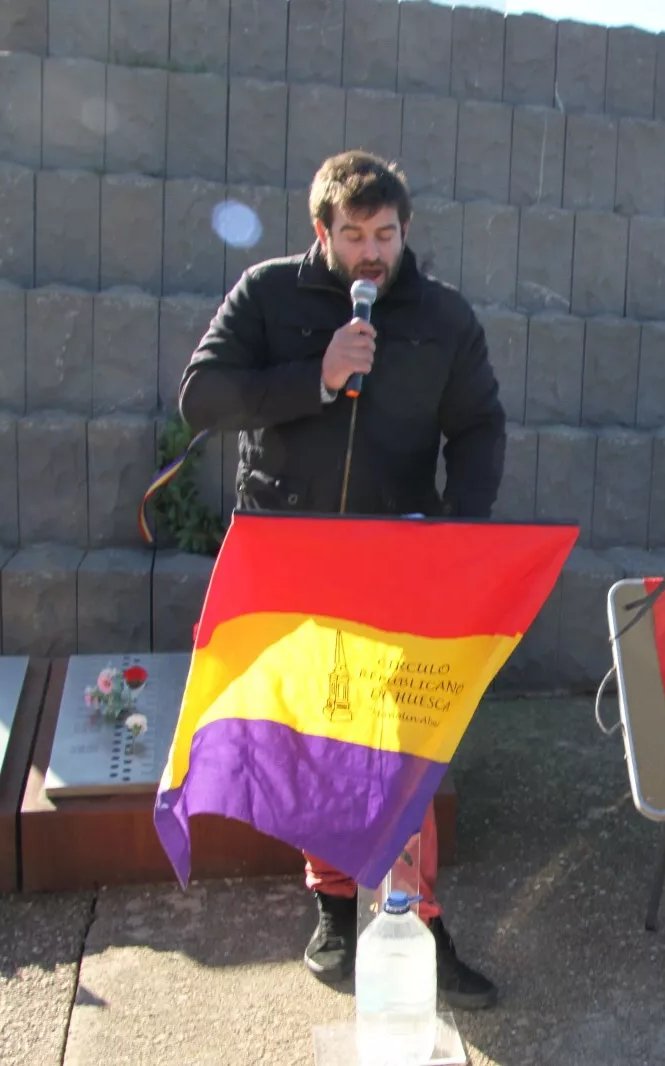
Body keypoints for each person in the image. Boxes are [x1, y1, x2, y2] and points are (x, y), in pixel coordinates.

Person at [179, 150, 506, 1006]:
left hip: (401, 559)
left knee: (405, 746)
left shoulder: (443, 317)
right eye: (354, 234)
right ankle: (331, 906)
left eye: (386, 235)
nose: (372, 253)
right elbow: (203, 398)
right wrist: (315, 378)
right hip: (291, 553)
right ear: (321, 231)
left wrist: (460, 537)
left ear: (405, 232)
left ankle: (418, 918)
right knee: (320, 740)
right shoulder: (268, 294)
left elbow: (478, 427)